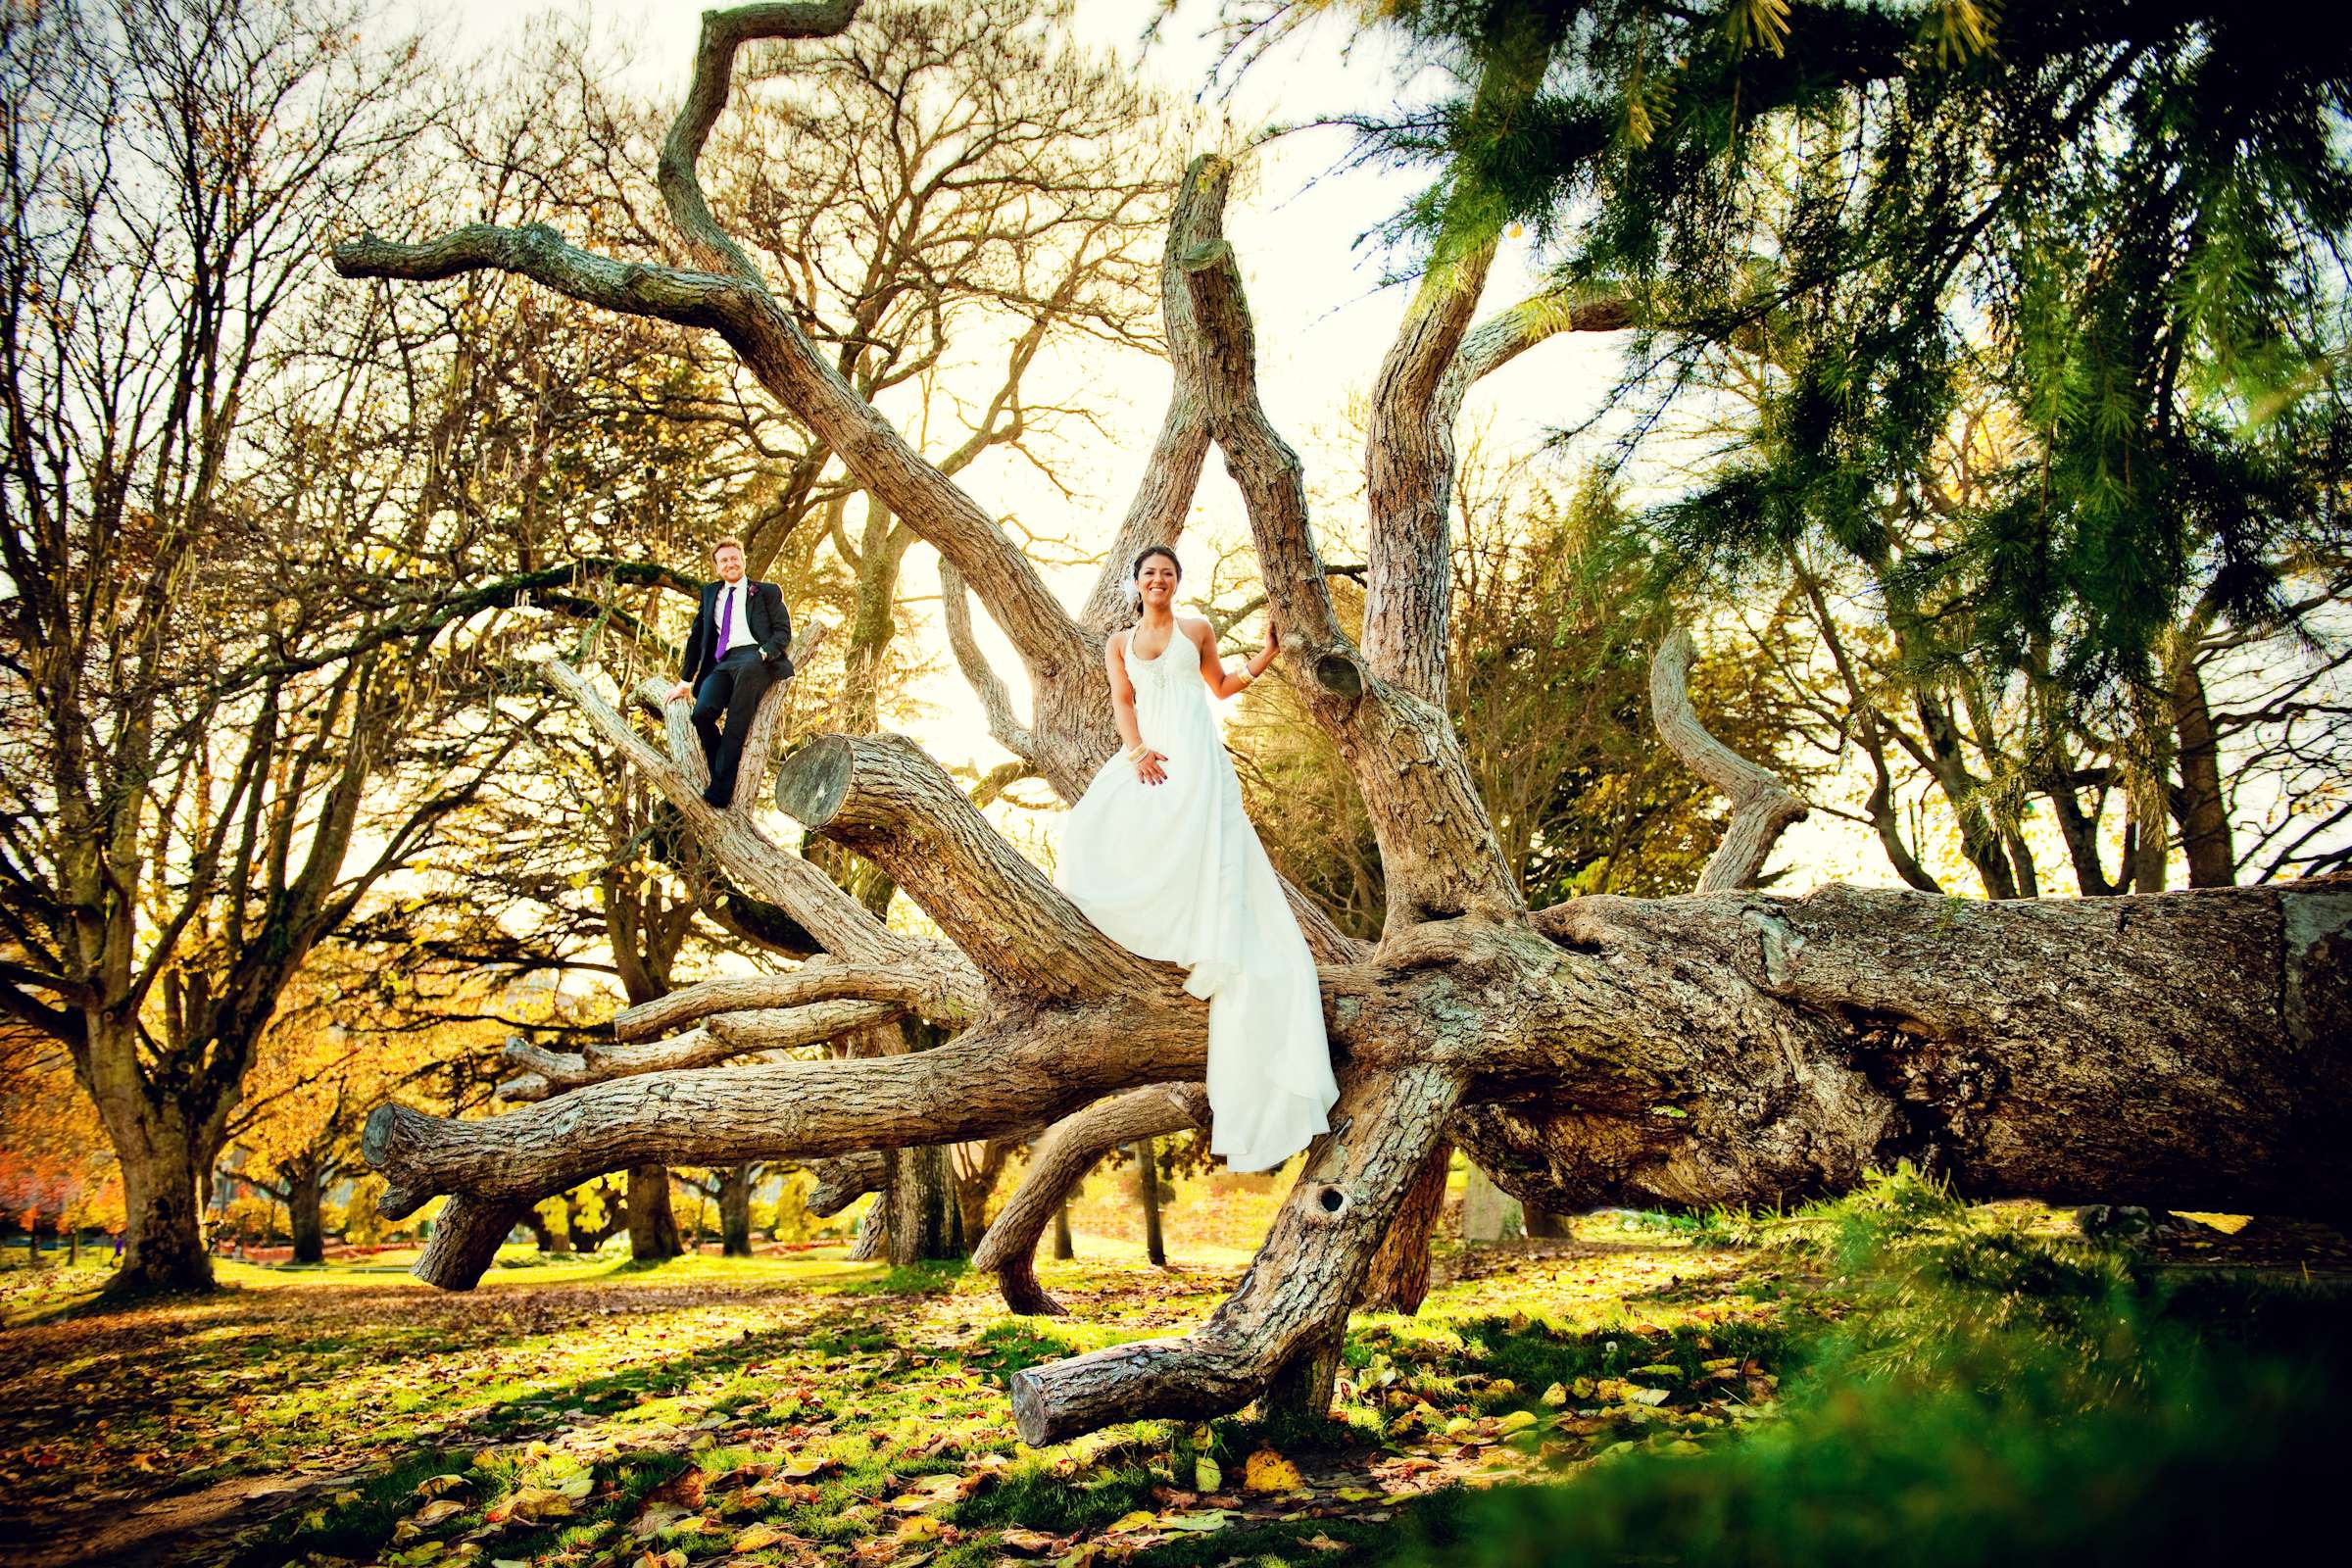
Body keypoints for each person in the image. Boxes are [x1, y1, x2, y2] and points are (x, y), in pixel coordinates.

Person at [1056, 546, 1339, 1172]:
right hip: (1152, 753)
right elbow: (1123, 702)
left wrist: (1264, 654)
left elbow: (1221, 686)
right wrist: (1136, 755)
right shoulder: (1118, 642)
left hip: (1199, 757)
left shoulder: (1197, 630)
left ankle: (1206, 939)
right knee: (1093, 830)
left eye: (1168, 573)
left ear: (1177, 583)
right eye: (1150, 574)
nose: (1159, 581)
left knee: (1204, 847)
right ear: (1136, 583)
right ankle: (1143, 936)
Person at [668, 537, 795, 808]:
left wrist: (764, 652)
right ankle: (720, 770)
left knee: (737, 722)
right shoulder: (710, 593)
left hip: (754, 658)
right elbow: (696, 637)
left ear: (743, 560)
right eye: (724, 560)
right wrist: (684, 681)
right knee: (701, 714)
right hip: (722, 662)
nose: (730, 563)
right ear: (717, 567)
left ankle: (720, 792)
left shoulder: (766, 591)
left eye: (734, 558)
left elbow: (783, 630)